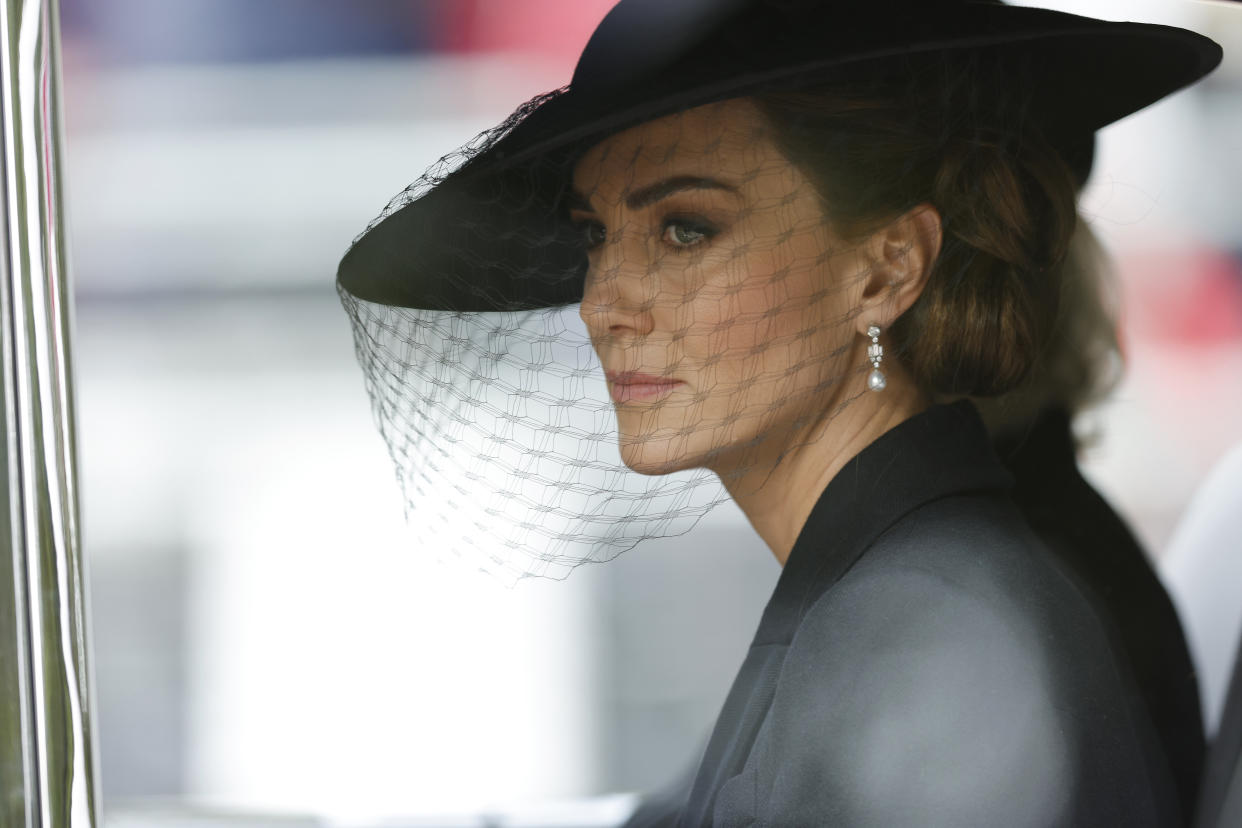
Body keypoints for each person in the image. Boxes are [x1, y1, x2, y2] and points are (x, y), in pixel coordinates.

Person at [337, 0, 1222, 823]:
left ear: (887, 269)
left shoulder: (922, 637)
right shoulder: (885, 592)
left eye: (686, 229)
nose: (605, 302)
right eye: (595, 236)